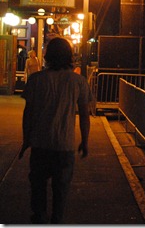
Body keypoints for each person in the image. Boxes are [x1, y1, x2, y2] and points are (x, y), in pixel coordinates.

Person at [19, 37, 91, 224]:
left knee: (38, 186)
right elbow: (84, 114)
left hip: (40, 143)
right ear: (69, 56)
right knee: (61, 190)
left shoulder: (36, 80)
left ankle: (40, 218)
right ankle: (56, 221)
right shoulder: (79, 82)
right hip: (64, 145)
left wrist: (26, 139)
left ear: (48, 55)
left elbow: (28, 113)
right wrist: (85, 140)